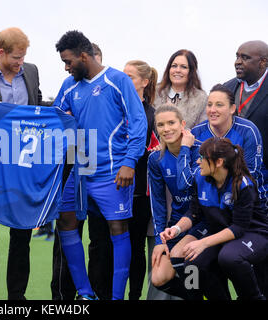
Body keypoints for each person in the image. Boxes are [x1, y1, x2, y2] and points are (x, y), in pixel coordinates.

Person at [53, 30, 147, 300]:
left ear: (84, 56)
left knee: (117, 229)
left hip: (114, 171)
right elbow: (55, 119)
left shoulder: (117, 80)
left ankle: (116, 297)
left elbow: (138, 122)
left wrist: (129, 161)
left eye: (69, 61)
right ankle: (85, 292)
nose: (66, 67)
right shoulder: (68, 86)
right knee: (66, 219)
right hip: (81, 171)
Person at [0, 27, 49, 300]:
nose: (21, 63)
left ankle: (17, 296)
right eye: (16, 57)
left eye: (24, 56)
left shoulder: (33, 71)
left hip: (25, 167)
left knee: (22, 237)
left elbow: (36, 107)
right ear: (1, 52)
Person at [162, 137, 267, 300]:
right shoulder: (200, 178)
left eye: (202, 158)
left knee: (229, 257)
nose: (198, 161)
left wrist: (202, 242)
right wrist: (176, 229)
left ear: (218, 162)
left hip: (252, 233)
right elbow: (194, 213)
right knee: (192, 263)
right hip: (220, 233)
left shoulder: (242, 184)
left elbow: (238, 228)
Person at [147, 105, 208, 300]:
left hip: (203, 220)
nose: (166, 129)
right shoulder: (156, 159)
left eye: (171, 123)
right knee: (159, 277)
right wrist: (159, 240)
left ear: (183, 124)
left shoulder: (202, 150)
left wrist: (184, 149)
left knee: (184, 257)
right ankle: (197, 295)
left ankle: (199, 294)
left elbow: (184, 184)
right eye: (161, 125)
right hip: (177, 222)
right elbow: (158, 203)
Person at [123, 60, 159, 300]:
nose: (125, 80)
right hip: (111, 187)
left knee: (135, 250)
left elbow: (151, 152)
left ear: (145, 82)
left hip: (137, 192)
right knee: (108, 247)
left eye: (131, 77)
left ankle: (134, 296)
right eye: (123, 75)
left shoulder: (152, 115)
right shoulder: (114, 107)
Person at [223, 41, 268, 209]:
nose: (238, 62)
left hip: (264, 176)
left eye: (245, 57)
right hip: (230, 173)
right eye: (237, 56)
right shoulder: (227, 88)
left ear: (263, 62)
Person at [154, 49, 207, 129]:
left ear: (191, 71)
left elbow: (201, 131)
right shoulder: (155, 93)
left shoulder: (201, 98)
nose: (177, 70)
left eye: (183, 67)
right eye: (174, 66)